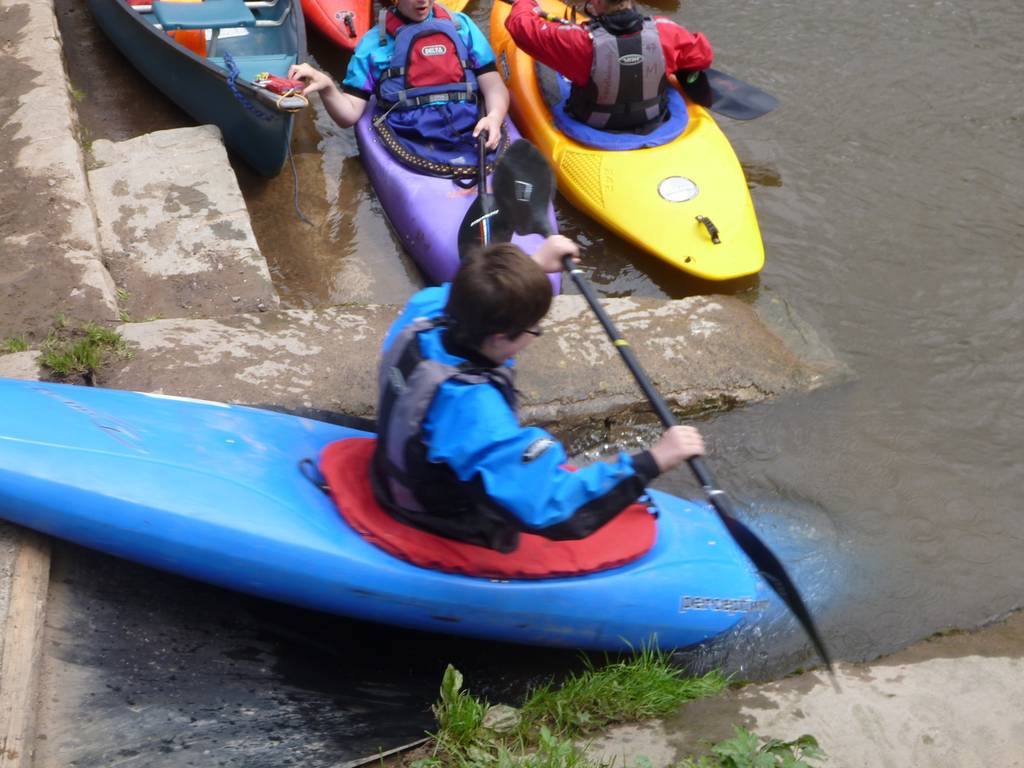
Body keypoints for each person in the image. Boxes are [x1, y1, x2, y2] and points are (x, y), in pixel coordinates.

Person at [372, 234, 705, 553]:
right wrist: (653, 460)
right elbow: (552, 508)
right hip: (439, 514)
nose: (534, 336)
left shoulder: (427, 309)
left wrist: (531, 268)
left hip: (402, 465)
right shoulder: (475, 411)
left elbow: (471, 292)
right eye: (534, 329)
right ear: (500, 338)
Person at [288, 0, 510, 167]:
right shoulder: (374, 44)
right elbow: (349, 115)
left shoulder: (462, 26)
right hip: (412, 138)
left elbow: (493, 85)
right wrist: (327, 86)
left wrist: (494, 117)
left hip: (472, 130)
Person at [504, 0, 713, 131]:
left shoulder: (578, 42)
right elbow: (703, 56)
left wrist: (524, 3)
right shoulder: (666, 31)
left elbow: (520, 27)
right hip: (653, 118)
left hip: (593, 123)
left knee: (545, 67)